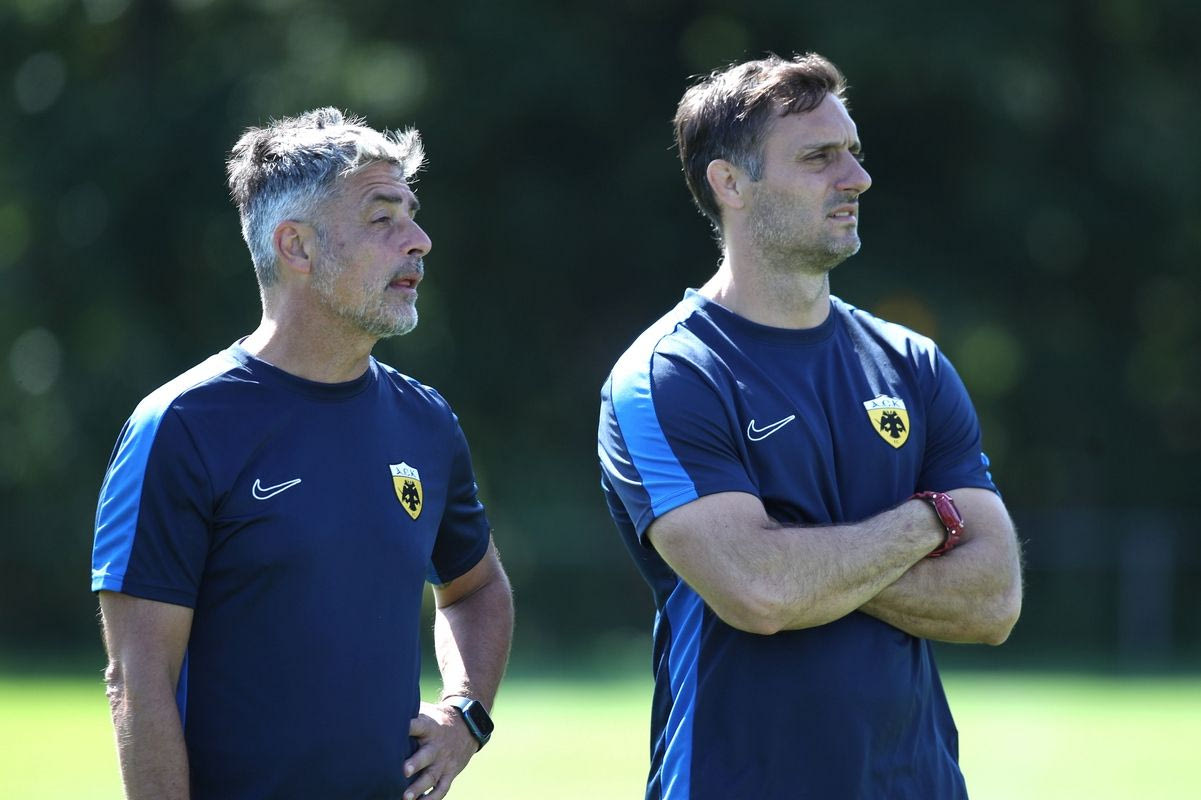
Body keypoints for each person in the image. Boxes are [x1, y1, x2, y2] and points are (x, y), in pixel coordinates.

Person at [597, 53, 1023, 799]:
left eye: (852, 151)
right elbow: (758, 592)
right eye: (818, 157)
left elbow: (992, 601)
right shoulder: (667, 376)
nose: (856, 177)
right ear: (729, 183)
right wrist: (930, 519)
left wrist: (804, 562)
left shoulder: (912, 364)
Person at [91, 108, 513, 800]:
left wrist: (464, 713)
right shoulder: (182, 426)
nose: (419, 241)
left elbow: (477, 589)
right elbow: (138, 682)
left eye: (411, 215)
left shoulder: (426, 422)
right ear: (296, 246)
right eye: (382, 219)